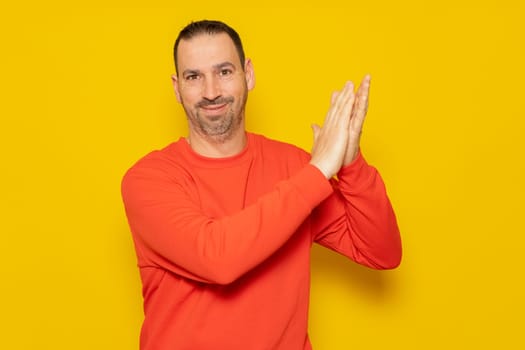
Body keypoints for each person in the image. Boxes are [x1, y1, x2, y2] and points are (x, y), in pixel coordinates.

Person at [121, 19, 402, 350]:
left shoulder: (297, 169)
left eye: (224, 72)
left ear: (248, 75)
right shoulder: (148, 179)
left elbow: (381, 251)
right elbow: (217, 259)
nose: (211, 92)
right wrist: (319, 170)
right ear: (177, 87)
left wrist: (351, 164)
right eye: (194, 77)